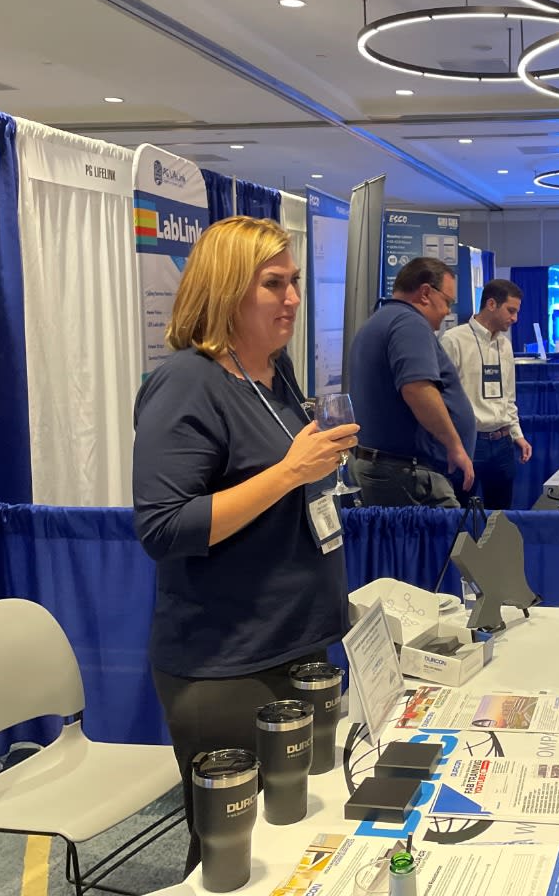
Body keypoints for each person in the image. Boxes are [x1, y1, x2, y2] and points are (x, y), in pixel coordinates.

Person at [132, 216, 359, 872]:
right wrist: (289, 472)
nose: (292, 298)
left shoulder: (276, 373)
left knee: (294, 834)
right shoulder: (187, 382)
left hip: (296, 643)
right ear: (227, 289)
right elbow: (164, 527)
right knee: (234, 857)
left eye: (294, 282)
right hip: (227, 663)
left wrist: (311, 469)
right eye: (273, 284)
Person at [350, 256, 476, 507]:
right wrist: (455, 446)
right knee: (447, 533)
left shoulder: (379, 321)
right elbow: (418, 389)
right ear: (426, 293)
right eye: (447, 302)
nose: (448, 311)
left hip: (388, 468)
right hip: (408, 475)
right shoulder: (409, 323)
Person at [440, 278, 532, 509]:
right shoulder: (453, 340)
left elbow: (508, 397)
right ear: (491, 304)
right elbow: (442, 397)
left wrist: (517, 434)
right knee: (460, 513)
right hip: (469, 443)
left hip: (503, 443)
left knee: (501, 518)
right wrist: (451, 444)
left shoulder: (505, 344)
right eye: (510, 311)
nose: (515, 318)